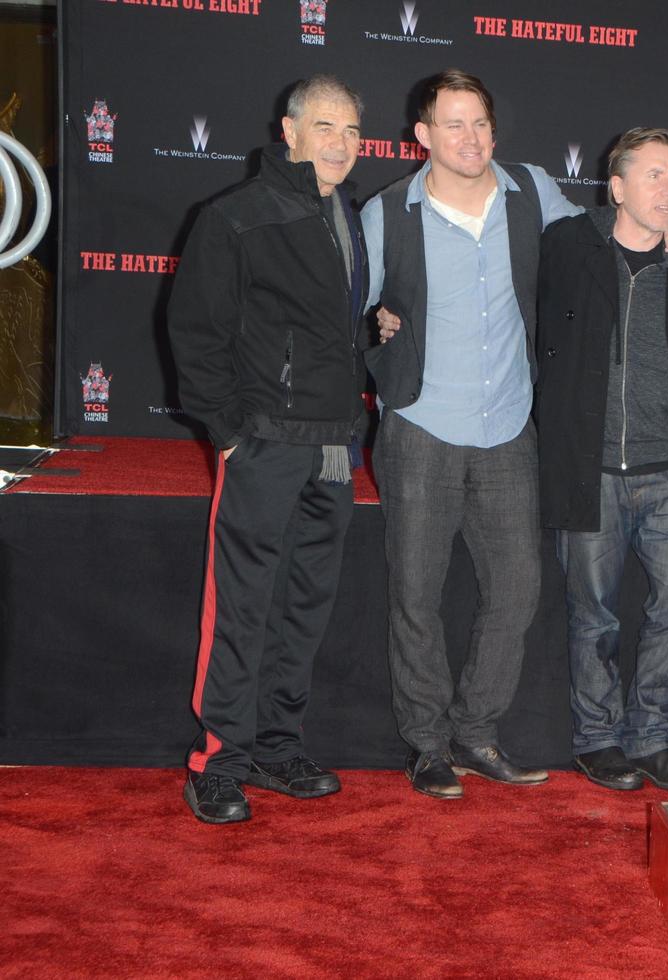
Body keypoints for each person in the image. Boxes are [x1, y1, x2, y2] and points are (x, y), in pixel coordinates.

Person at [364, 71, 668, 801]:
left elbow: (599, 238)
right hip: (420, 425)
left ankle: (477, 731)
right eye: (453, 125)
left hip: (513, 426)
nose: (471, 139)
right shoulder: (388, 212)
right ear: (422, 136)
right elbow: (350, 306)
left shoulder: (532, 192)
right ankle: (426, 745)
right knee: (416, 595)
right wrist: (377, 328)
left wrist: (667, 225)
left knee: (517, 589)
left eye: (480, 123)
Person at [168, 74, 368, 824]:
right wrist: (229, 434)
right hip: (265, 445)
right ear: (288, 131)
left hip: (333, 445)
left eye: (352, 131)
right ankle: (218, 760)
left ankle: (280, 746)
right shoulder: (235, 216)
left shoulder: (344, 212)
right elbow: (196, 332)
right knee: (243, 605)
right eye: (325, 127)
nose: (341, 144)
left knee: (305, 605)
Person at [534, 127, 668, 792]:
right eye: (652, 175)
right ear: (616, 188)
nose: (667, 189)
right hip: (591, 472)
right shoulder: (569, 248)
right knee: (593, 615)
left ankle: (651, 737)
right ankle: (597, 739)